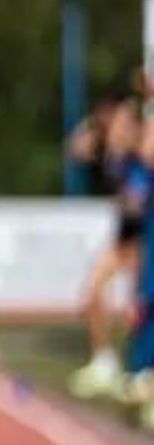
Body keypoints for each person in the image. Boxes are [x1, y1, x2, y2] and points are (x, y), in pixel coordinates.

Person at [69, 94, 145, 400]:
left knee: (138, 310)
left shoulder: (139, 154)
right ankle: (105, 364)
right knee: (90, 296)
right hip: (122, 240)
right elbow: (76, 147)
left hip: (142, 240)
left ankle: (140, 372)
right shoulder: (111, 155)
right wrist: (95, 125)